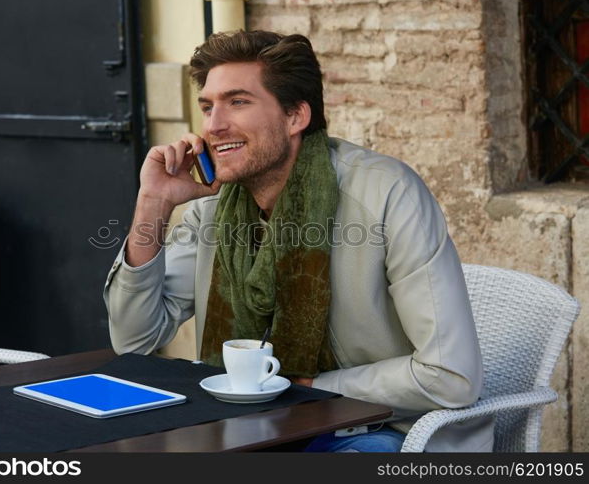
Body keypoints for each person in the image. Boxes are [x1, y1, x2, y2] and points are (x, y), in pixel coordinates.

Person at [104, 30, 493, 452]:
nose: (214, 125)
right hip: (252, 428)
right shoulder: (214, 208)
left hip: (384, 432)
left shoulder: (386, 194)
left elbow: (451, 376)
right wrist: (152, 206)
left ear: (295, 117)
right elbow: (135, 342)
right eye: (207, 106)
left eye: (238, 102)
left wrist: (308, 387)